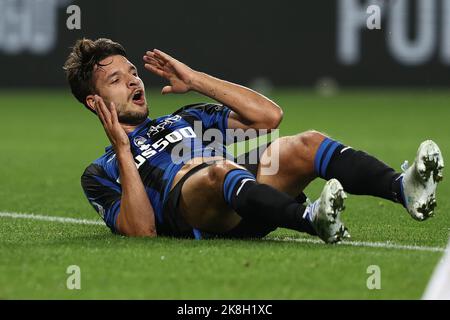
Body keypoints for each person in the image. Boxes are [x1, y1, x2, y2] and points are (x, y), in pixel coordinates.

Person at [63, 38, 444, 243]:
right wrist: (124, 149)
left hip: (244, 193)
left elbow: (268, 117)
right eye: (116, 80)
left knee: (304, 143)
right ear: (95, 103)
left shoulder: (186, 117)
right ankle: (309, 219)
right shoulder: (100, 171)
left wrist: (193, 79)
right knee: (214, 170)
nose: (133, 81)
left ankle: (402, 188)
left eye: (132, 73)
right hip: (201, 209)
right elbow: (141, 229)